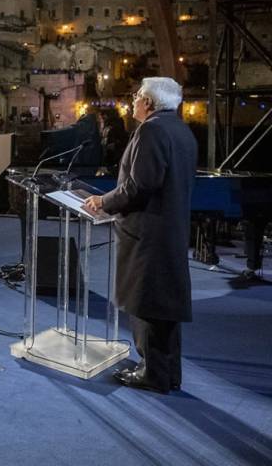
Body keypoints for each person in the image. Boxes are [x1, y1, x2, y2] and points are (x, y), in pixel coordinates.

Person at [84, 77, 196, 394]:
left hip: (147, 233)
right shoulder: (179, 129)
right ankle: (167, 372)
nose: (133, 100)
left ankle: (152, 373)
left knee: (146, 304)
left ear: (148, 102)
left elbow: (140, 185)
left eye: (136, 95)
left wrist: (102, 202)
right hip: (168, 229)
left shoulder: (152, 130)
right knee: (164, 307)